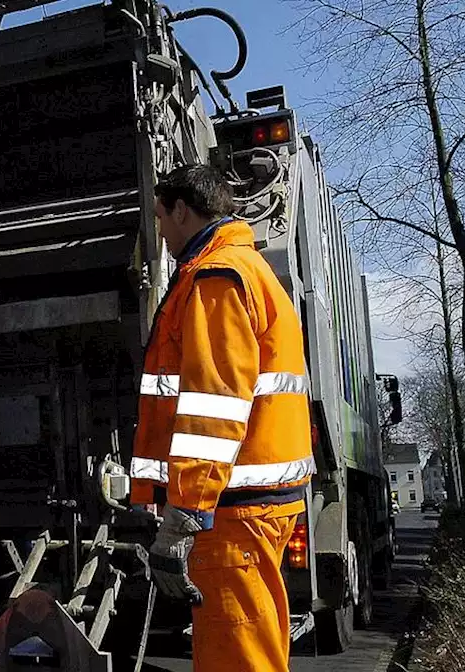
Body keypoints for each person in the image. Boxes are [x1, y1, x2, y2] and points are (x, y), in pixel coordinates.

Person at [130, 164, 315, 672]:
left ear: (183, 211)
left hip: (232, 509)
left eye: (161, 219)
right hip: (245, 504)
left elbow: (215, 407)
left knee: (237, 659)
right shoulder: (243, 269)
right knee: (250, 650)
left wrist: (184, 513)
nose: (161, 233)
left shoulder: (216, 278)